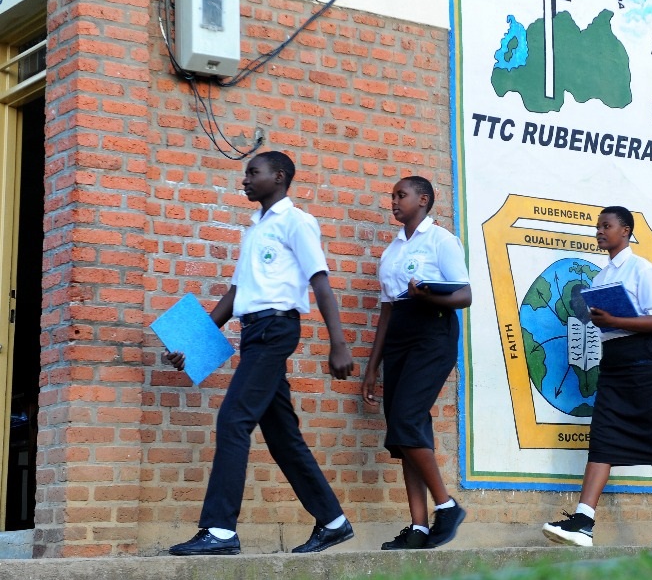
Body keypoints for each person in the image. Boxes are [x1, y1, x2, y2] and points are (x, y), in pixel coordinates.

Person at [164, 151, 355, 556]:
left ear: (279, 177)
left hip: (275, 329)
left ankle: (220, 532)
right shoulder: (254, 229)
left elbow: (320, 283)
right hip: (254, 332)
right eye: (245, 173)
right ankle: (333, 521)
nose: (245, 179)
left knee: (233, 419)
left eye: (254, 172)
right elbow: (236, 295)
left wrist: (338, 343)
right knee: (283, 436)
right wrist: (193, 343)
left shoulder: (296, 222)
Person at [542, 206, 652, 548]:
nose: (599, 231)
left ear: (625, 231)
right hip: (614, 366)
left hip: (646, 365)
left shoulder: (641, 269)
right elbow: (607, 323)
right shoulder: (600, 278)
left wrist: (615, 319)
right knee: (603, 438)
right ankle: (583, 522)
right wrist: (602, 320)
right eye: (598, 226)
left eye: (606, 226)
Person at [361, 176, 472, 550]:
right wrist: (372, 366)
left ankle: (447, 505)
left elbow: (464, 295)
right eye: (392, 195)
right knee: (406, 431)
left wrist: (426, 295)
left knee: (408, 418)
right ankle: (419, 527)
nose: (393, 201)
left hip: (433, 333)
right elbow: (387, 311)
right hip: (399, 339)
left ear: (423, 200)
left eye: (401, 195)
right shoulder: (391, 252)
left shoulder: (441, 240)